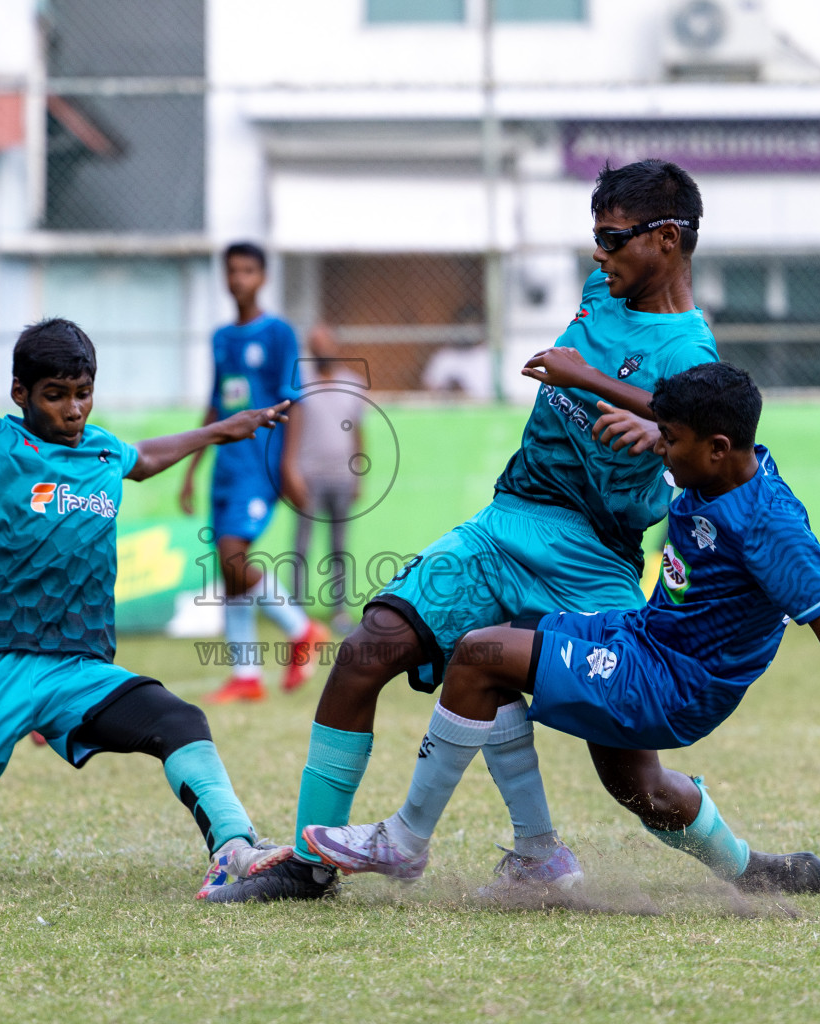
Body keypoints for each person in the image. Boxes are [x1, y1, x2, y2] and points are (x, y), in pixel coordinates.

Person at [207, 159, 719, 903]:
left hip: (594, 556)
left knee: (634, 779)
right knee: (365, 649)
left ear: (666, 240)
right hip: (506, 522)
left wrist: (643, 416)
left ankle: (748, 868)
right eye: (595, 241)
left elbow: (702, 424)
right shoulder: (599, 290)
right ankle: (310, 866)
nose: (599, 258)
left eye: (612, 241)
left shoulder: (691, 351)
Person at [303, 363, 820, 893]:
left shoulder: (770, 525)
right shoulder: (722, 462)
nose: (660, 448)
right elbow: (671, 425)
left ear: (715, 447)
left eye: (670, 439)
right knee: (639, 786)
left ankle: (414, 838)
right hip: (641, 637)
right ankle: (748, 870)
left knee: (480, 653)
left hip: (672, 683)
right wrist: (617, 400)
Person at [0, 200, 289, 894]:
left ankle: (235, 851)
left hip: (76, 669)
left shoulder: (102, 448)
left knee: (179, 718)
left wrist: (219, 432)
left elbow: (141, 457)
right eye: (56, 396)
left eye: (83, 393)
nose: (74, 409)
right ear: (21, 392)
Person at [179, 243, 329, 704]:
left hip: (259, 465)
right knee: (229, 574)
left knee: (231, 556)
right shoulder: (221, 337)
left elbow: (294, 398)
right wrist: (192, 467)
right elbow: (216, 402)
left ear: (262, 277)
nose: (238, 278)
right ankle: (246, 675)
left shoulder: (279, 332)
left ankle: (302, 629)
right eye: (232, 271)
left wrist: (288, 465)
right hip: (225, 465)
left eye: (247, 270)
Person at [292, 324, 367, 635]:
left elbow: (359, 433)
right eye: (315, 346)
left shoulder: (353, 384)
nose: (321, 351)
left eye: (326, 344)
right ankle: (295, 612)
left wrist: (359, 474)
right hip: (308, 477)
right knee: (301, 547)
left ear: (335, 346)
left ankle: (339, 611)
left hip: (342, 478)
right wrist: (292, 472)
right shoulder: (300, 385)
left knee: (338, 548)